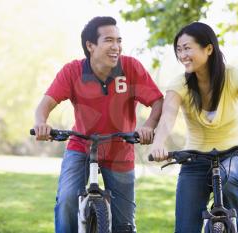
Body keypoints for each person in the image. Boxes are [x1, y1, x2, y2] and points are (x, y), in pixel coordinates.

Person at [33, 16, 163, 233]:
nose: (116, 47)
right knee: (67, 200)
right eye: (109, 40)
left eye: (119, 40)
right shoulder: (73, 71)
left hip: (120, 149)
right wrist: (41, 124)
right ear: (90, 46)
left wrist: (149, 125)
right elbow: (44, 106)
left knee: (124, 224)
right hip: (81, 146)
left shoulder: (130, 67)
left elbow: (158, 101)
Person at [149, 22, 238, 233]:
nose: (182, 55)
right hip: (195, 158)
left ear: (208, 49)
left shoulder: (234, 75)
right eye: (179, 50)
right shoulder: (179, 84)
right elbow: (167, 117)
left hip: (236, 155)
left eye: (187, 48)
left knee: (228, 180)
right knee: (185, 227)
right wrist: (158, 144)